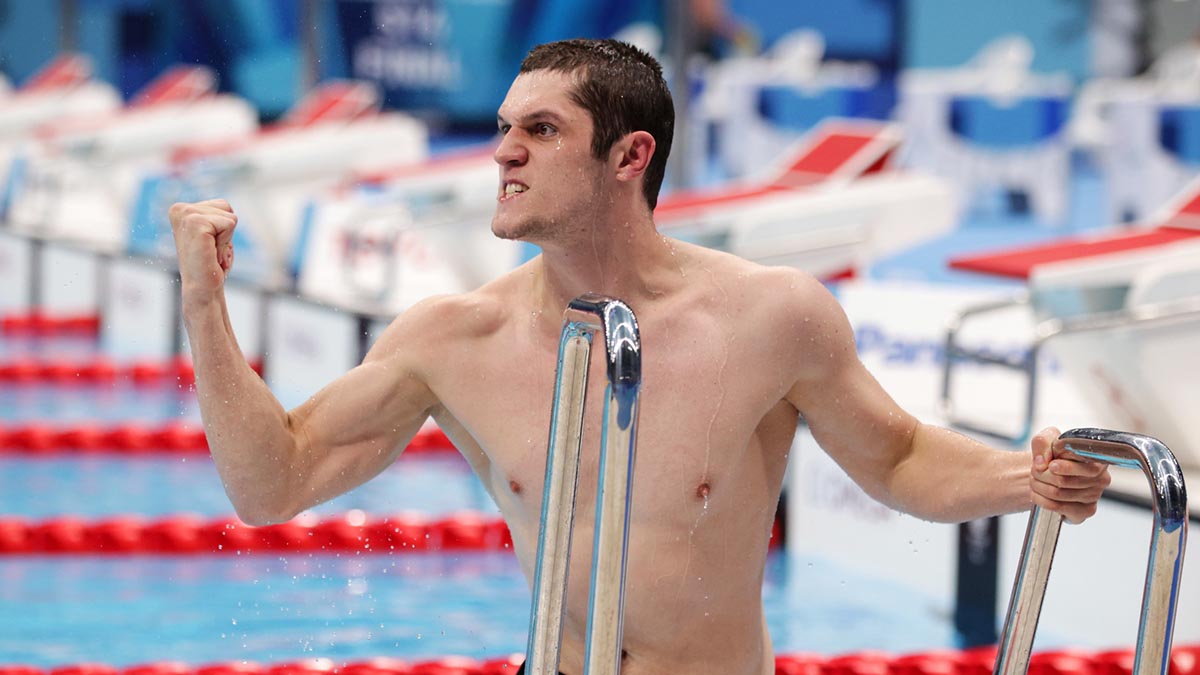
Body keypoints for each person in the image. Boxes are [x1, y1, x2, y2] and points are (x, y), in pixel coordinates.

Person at [168, 38, 1111, 675]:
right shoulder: (452, 339)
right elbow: (271, 483)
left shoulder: (768, 315)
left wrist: (1024, 479)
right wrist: (205, 306)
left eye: (540, 133)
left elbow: (897, 455)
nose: (503, 154)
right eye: (503, 129)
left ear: (630, 157)